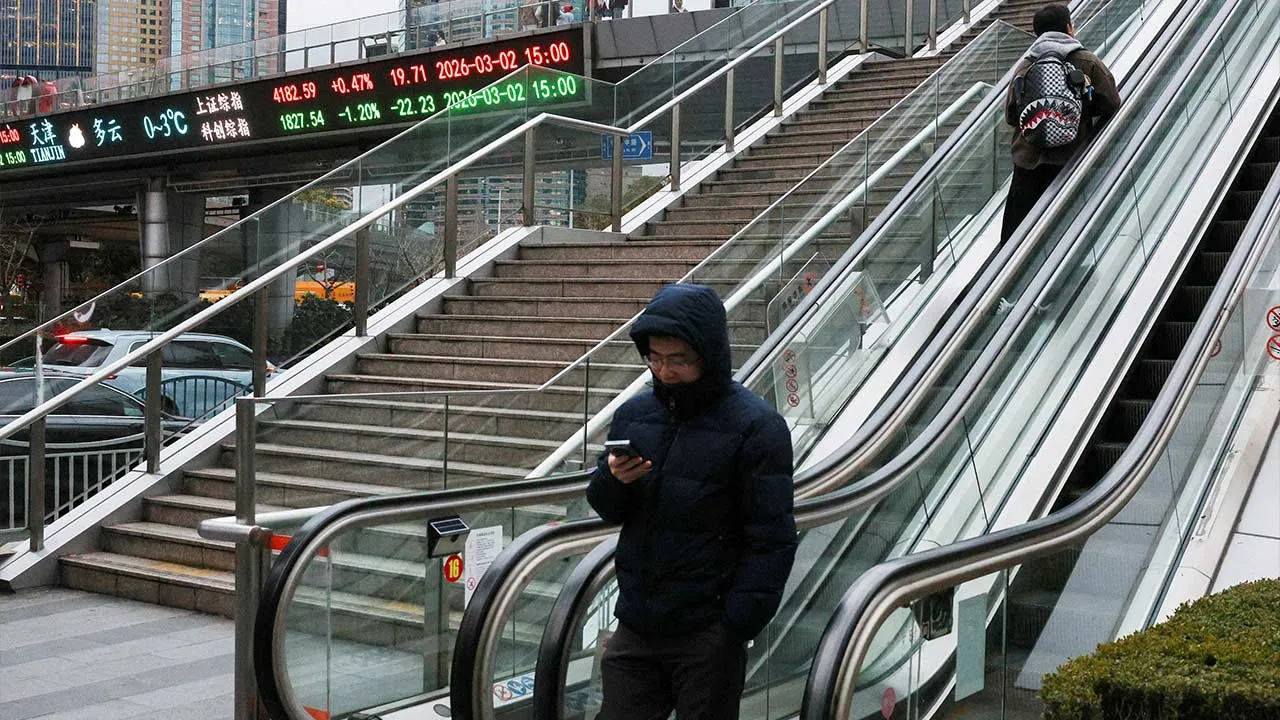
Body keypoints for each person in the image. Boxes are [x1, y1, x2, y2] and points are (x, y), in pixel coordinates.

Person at [587, 284, 798, 720]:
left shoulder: (758, 427)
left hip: (707, 631)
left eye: (679, 360)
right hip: (637, 623)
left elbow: (772, 538)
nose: (665, 371)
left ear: (709, 354)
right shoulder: (634, 415)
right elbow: (609, 507)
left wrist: (733, 626)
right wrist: (613, 480)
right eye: (655, 358)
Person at [1001, 3, 1120, 243]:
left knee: (1017, 232)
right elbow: (1111, 103)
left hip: (1028, 163)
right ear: (1069, 28)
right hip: (1070, 158)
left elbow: (1011, 115)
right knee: (1067, 228)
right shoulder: (1087, 61)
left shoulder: (1025, 66)